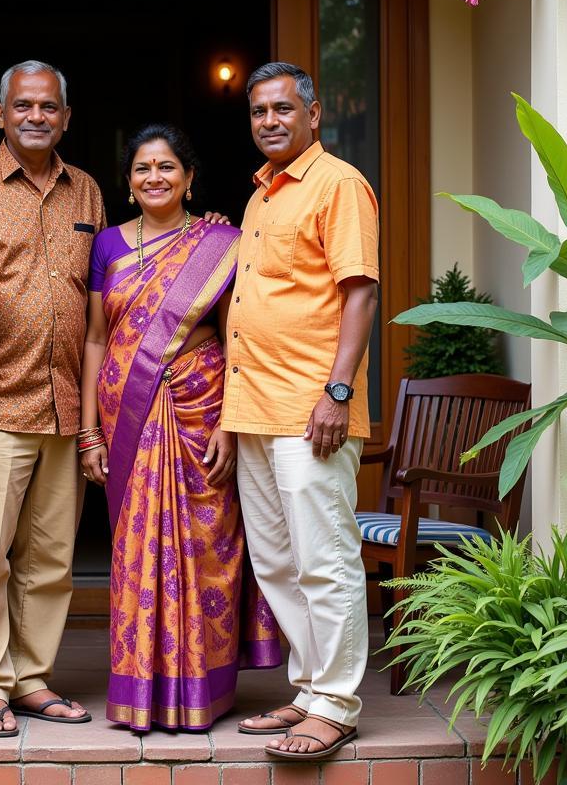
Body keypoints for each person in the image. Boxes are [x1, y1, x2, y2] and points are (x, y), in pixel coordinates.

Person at [79, 124, 281, 733]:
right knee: (135, 549)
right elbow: (94, 339)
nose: (154, 178)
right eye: (143, 168)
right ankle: (141, 689)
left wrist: (231, 421)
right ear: (129, 181)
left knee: (206, 544)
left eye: (167, 167)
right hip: (126, 413)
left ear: (189, 179)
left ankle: (203, 688)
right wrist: (89, 431)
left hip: (202, 406)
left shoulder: (221, 241)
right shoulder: (109, 245)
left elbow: (236, 335)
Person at [0, 60, 105, 737]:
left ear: (66, 117)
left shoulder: (88, 192)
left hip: (66, 403)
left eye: (49, 107)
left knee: (50, 561)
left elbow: (108, 289)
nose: (36, 116)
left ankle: (31, 678)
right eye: (23, 106)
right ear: (0, 114)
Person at [223, 62, 380, 760]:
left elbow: (360, 292)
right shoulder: (261, 196)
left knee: (325, 558)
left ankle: (338, 703)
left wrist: (337, 392)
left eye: (283, 109)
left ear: (313, 115)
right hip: (255, 406)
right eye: (259, 111)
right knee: (279, 563)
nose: (270, 121)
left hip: (310, 407)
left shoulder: (338, 183)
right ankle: (311, 688)